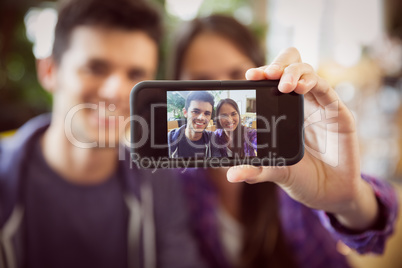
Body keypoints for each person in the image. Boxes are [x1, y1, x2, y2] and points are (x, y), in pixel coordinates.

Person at [170, 14, 398, 267]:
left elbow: (377, 232)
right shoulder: (172, 182)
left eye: (236, 73)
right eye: (201, 82)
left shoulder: (284, 152)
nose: (220, 89)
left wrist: (350, 200)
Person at [0, 0, 205, 268]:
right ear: (49, 71)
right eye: (96, 68)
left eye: (136, 74)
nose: (117, 91)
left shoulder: (158, 184)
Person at [168, 91, 220, 158]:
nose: (201, 118)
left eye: (207, 113)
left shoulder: (212, 139)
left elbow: (216, 166)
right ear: (185, 112)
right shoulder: (169, 140)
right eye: (195, 112)